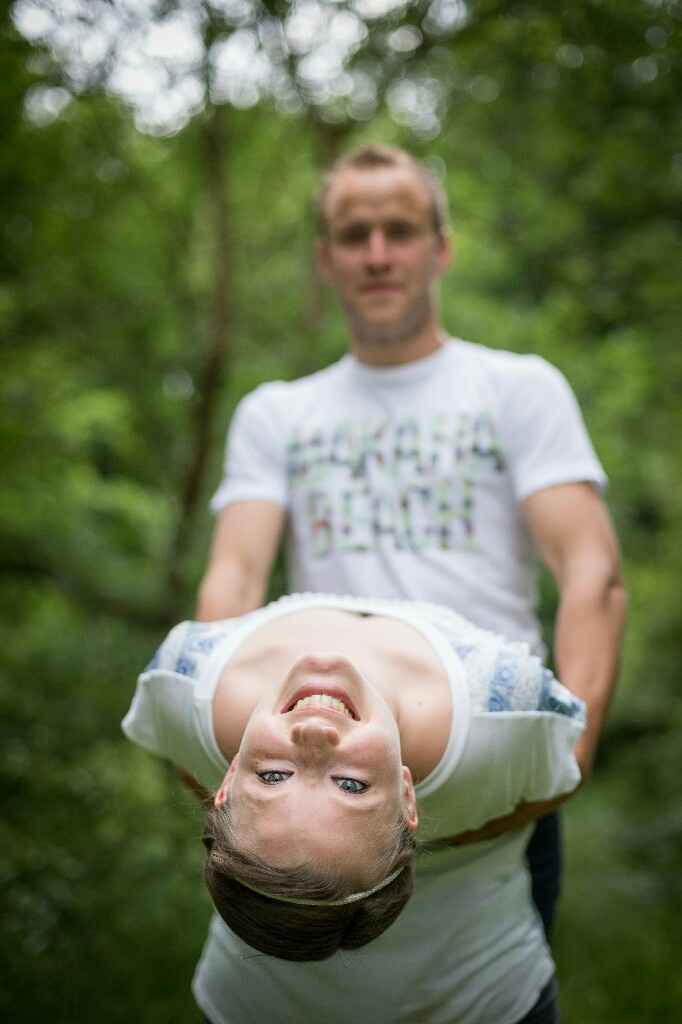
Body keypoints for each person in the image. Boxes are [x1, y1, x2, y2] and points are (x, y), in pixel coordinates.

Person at [196, 143, 627, 938]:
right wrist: (209, 725)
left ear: (441, 248)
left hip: (492, 750)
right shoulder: (276, 413)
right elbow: (235, 572)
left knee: (493, 981)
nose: (377, 254)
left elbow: (590, 570)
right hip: (322, 760)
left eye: (399, 230)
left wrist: (571, 756)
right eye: (353, 235)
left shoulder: (519, 389)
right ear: (325, 258)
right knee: (298, 974)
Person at [123, 592, 586, 1023]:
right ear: (408, 796)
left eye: (272, 776)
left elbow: (186, 760)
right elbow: (566, 774)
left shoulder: (184, 684)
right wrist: (483, 829)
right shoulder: (507, 716)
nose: (314, 734)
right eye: (350, 785)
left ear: (225, 781)